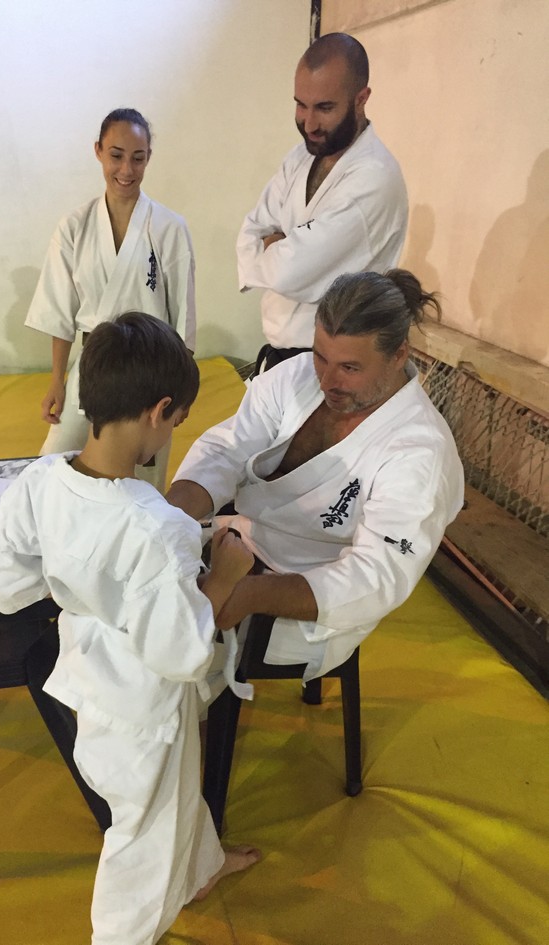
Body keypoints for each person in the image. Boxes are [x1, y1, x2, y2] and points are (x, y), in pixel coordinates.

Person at [0, 313, 260, 945]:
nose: (172, 432)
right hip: (143, 704)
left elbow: (12, 583)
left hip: (90, 674)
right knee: (141, 836)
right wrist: (223, 575)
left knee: (173, 798)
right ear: (159, 411)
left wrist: (89, 587)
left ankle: (201, 869)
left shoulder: (41, 479)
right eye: (177, 420)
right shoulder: (156, 527)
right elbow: (182, 653)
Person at [167, 270, 465, 679]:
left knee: (166, 642)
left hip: (315, 596)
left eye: (350, 368)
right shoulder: (297, 377)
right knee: (139, 589)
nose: (327, 380)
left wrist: (250, 594)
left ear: (399, 355)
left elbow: (377, 576)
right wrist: (166, 518)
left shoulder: (419, 450)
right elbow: (228, 448)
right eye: (320, 356)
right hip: (240, 543)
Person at [25, 108, 196, 491]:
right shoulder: (74, 226)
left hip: (151, 369)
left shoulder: (169, 228)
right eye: (116, 156)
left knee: (143, 479)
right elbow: (59, 309)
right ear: (98, 151)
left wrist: (181, 394)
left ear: (148, 157)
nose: (126, 170)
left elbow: (183, 316)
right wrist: (57, 381)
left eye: (138, 158)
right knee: (54, 464)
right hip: (93, 361)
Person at [237, 32, 408, 374]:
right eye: (301, 104)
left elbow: (288, 271)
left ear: (361, 99)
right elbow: (250, 232)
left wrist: (278, 245)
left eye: (325, 108)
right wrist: (281, 247)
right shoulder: (300, 157)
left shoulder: (373, 178)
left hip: (335, 367)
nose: (309, 123)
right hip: (280, 358)